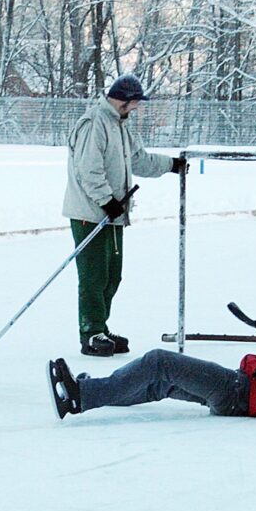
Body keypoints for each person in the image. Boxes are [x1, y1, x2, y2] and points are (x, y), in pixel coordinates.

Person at [62, 74, 186, 357]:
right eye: (135, 103)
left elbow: (138, 159)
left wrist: (171, 165)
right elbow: (88, 169)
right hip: (89, 214)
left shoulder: (121, 126)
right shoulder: (95, 124)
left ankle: (101, 327)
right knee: (93, 277)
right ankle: (91, 332)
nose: (137, 108)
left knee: (112, 276)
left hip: (113, 214)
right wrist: (106, 201)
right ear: (123, 99)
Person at [46, 319, 256, 420]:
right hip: (240, 389)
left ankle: (82, 394)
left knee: (161, 361)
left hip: (237, 394)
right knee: (161, 385)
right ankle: (90, 396)